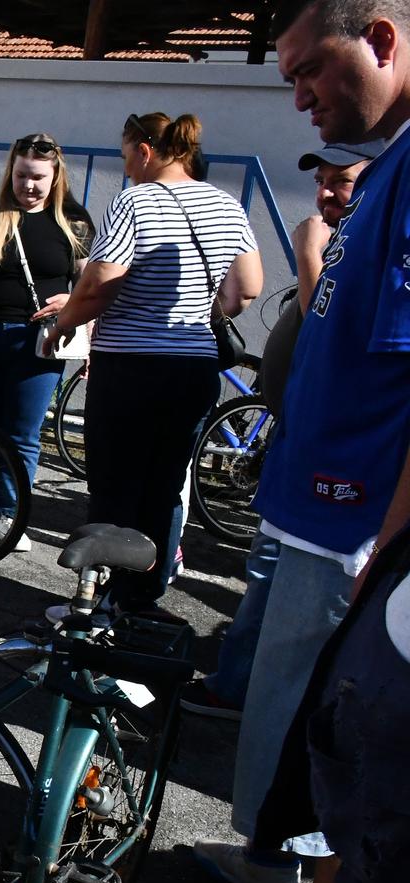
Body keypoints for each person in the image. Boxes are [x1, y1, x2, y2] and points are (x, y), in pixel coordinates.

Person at [180, 0, 410, 883]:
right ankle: (273, 865)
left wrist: (387, 551)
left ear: (382, 38)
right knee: (278, 711)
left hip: (352, 523)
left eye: (309, 66)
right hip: (305, 505)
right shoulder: (387, 169)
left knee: (333, 733)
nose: (298, 93)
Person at [179, 138, 377, 723]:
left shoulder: (358, 249)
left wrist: (309, 255)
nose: (325, 194)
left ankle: (242, 690)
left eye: (340, 182)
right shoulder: (344, 243)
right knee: (264, 571)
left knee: (280, 581)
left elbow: (327, 338)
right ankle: (240, 680)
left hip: (326, 460)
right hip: (295, 443)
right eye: (322, 182)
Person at [45, 112, 262, 613]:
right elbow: (246, 287)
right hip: (193, 367)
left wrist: (64, 323)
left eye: (125, 157)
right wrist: (202, 310)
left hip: (131, 367)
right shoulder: (225, 204)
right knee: (165, 484)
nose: (125, 169)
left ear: (144, 151)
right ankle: (144, 596)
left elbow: (100, 284)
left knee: (115, 485)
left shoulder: (136, 201)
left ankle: (99, 602)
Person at [0, 134, 93, 553]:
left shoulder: (74, 220)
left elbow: (88, 283)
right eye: (22, 175)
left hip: (41, 342)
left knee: (24, 433)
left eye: (38, 178)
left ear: (56, 176)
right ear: (11, 170)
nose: (29, 185)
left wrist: (73, 304)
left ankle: (11, 512)